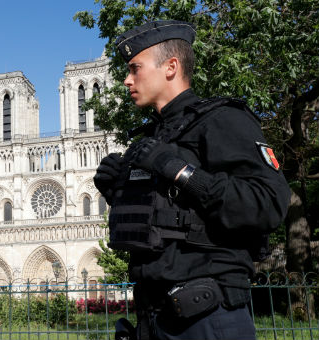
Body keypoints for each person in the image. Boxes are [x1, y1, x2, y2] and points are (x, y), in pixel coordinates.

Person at [93, 21, 290, 340]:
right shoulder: (149, 140)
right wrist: (117, 193)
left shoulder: (222, 120)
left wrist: (178, 170)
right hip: (152, 320)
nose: (127, 80)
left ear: (170, 66)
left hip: (209, 320)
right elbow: (160, 224)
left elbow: (268, 204)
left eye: (135, 68)